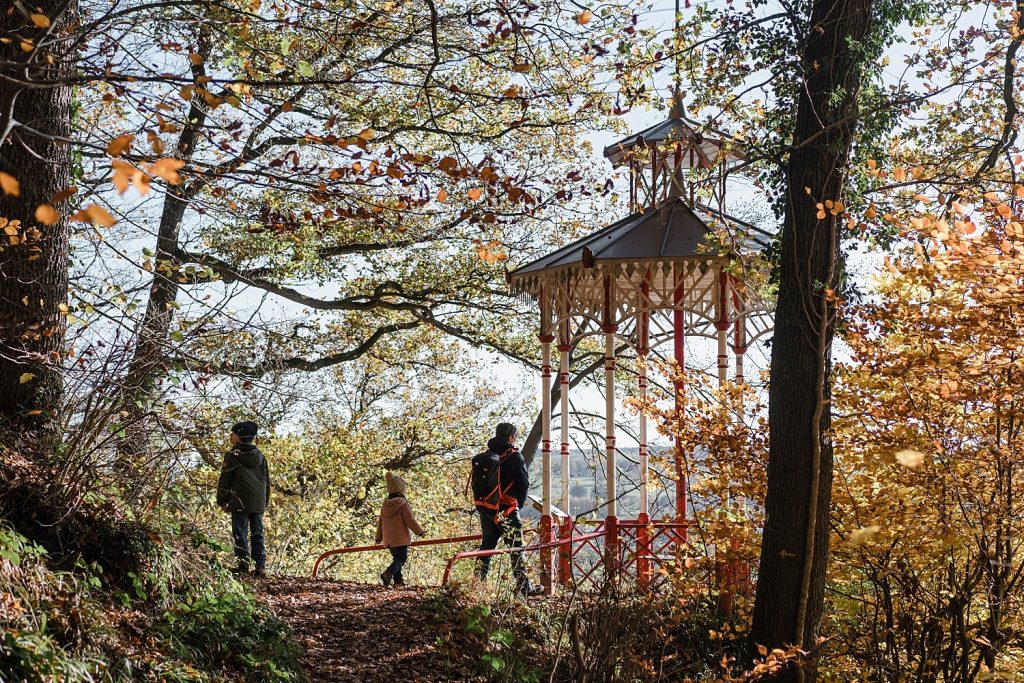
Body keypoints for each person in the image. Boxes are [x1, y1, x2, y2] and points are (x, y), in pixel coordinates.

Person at [475, 422, 542, 596]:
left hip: (487, 509)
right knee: (516, 548)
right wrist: (517, 505)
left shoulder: (488, 455)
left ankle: (477, 584)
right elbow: (523, 483)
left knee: (486, 547)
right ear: (511, 437)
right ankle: (523, 587)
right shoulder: (514, 456)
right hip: (507, 510)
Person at [216, 420, 271, 577]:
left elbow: (225, 480)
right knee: (257, 533)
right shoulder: (261, 457)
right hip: (258, 501)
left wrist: (222, 501)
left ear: (240, 436)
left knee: (240, 532)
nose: (230, 436)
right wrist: (264, 503)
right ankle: (260, 567)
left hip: (239, 501)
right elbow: (267, 482)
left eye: (232, 433)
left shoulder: (232, 456)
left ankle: (243, 565)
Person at [375, 472, 424, 587]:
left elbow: (380, 522)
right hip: (400, 538)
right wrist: (419, 531)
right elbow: (410, 520)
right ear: (402, 490)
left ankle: (398, 582)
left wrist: (378, 537)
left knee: (396, 559)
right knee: (401, 559)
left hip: (389, 540)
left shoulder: (385, 505)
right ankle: (388, 573)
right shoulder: (402, 503)